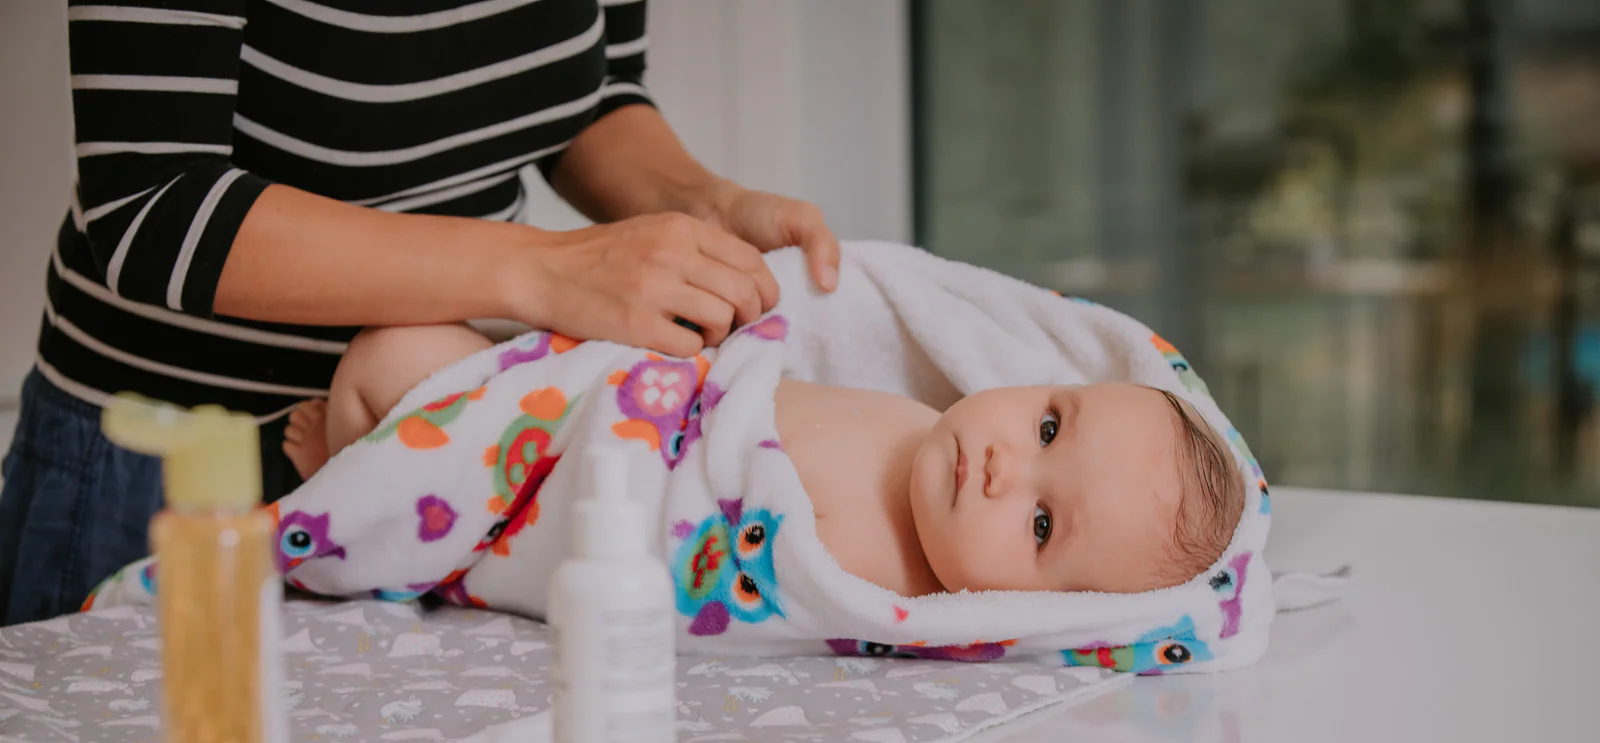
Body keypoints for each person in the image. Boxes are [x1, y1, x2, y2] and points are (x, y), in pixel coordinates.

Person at [0, 0, 839, 625]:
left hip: (439, 461)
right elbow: (152, 207)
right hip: (175, 475)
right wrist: (548, 271)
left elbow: (590, 90)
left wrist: (704, 206)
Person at [282, 321, 1245, 597]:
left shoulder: (880, 582)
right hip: (595, 404)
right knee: (404, 347)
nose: (1004, 469)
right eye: (1048, 429)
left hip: (559, 491)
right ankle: (376, 457)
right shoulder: (925, 422)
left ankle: (361, 481)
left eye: (1039, 524)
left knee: (386, 367)